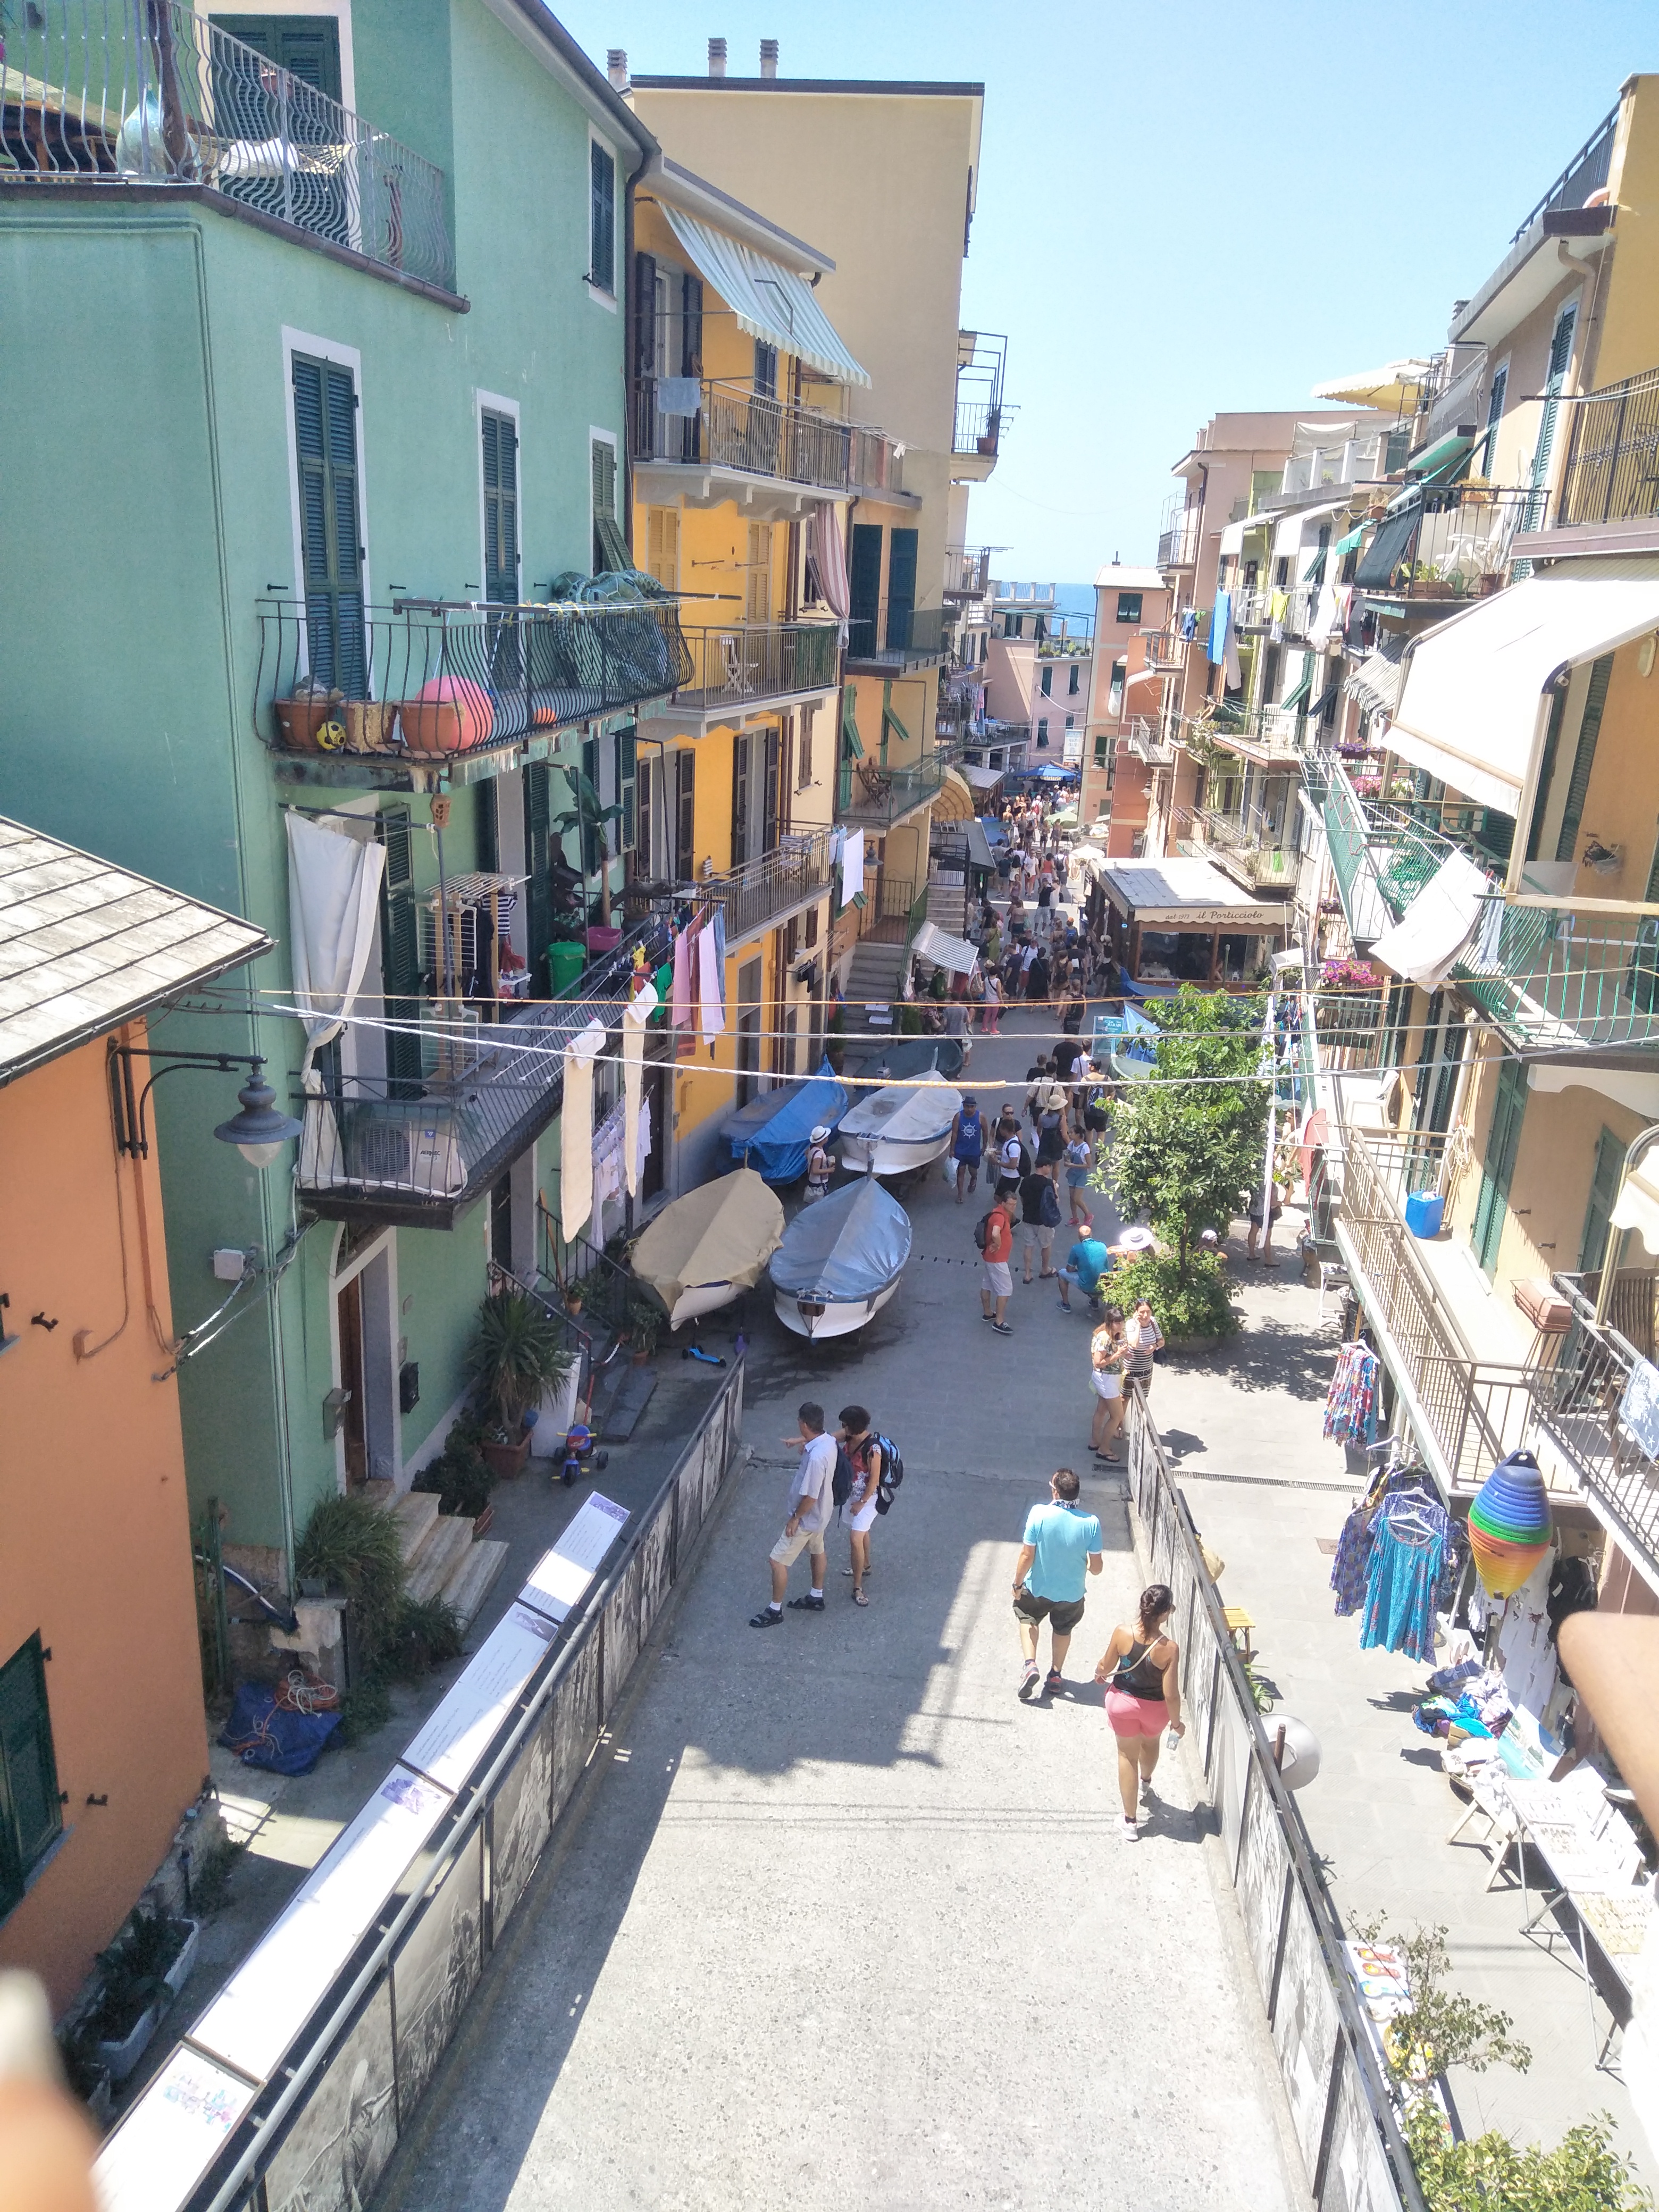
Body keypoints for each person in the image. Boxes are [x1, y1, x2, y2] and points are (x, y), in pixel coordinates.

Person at [1095, 1583, 1185, 1838]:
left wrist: (1099, 1673)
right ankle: (1145, 1782)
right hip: (1155, 1711)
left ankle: (1130, 1822)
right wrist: (1177, 1725)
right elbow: (1171, 1694)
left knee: (1126, 1757)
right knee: (1151, 1742)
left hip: (1122, 1704)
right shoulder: (1170, 1649)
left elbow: (1106, 1665)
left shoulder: (1122, 1633)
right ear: (1166, 1612)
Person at [1011, 1467, 1104, 1699]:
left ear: (1055, 1492)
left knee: (1027, 1617)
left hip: (1038, 1589)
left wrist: (1017, 1584)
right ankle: (1055, 1675)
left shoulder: (1038, 1514)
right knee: (1063, 1630)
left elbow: (1026, 1555)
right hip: (1071, 1594)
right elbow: (1096, 1569)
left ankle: (1031, 1664)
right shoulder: (1091, 1523)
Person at [750, 1403, 839, 1626]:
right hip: (821, 1515)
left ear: (804, 1424)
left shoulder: (817, 1458)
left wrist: (795, 1518)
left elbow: (810, 1497)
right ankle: (816, 1596)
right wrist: (802, 1441)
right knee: (818, 1550)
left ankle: (775, 1610)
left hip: (807, 1518)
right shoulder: (828, 1441)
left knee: (777, 1561)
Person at [837, 1404, 883, 1606]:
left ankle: (858, 1586)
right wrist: (801, 1441)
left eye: (845, 1425)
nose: (842, 1428)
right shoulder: (849, 1436)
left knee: (855, 1537)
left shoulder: (874, 1449)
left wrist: (862, 1503)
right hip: (852, 1496)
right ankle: (865, 1565)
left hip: (868, 1499)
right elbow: (827, 1439)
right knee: (862, 1533)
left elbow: (874, 1481)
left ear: (852, 1427)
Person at [1089, 1305, 1128, 1461]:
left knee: (1101, 1409)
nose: (1120, 1326)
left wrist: (1124, 1353)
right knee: (1117, 1416)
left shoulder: (1115, 1335)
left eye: (1121, 1322)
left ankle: (1094, 1441)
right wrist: (1117, 1355)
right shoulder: (1104, 1338)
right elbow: (1098, 1362)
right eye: (1117, 1323)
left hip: (1107, 1378)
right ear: (1110, 1323)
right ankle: (1104, 1449)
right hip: (1107, 1379)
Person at [1018, 1159, 1062, 1284]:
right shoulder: (1048, 1183)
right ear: (1044, 1167)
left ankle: (1027, 1274)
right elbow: (1056, 1201)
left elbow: (1022, 1197)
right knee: (1046, 1245)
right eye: (1049, 1167)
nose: (1050, 1169)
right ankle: (1045, 1269)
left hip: (1028, 1218)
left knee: (1029, 1246)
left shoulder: (1026, 1180)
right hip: (1044, 1220)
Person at [979, 1190, 1015, 1334]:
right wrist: (999, 1244)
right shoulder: (1000, 1217)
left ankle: (988, 1313)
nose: (1013, 1207)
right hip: (997, 1259)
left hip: (990, 1258)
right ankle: (999, 1322)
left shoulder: (997, 1213)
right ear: (1003, 1203)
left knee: (987, 1284)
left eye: (1015, 1204)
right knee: (1006, 1289)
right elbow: (995, 1233)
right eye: (1010, 1204)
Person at [1058, 1221, 1110, 1314]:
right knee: (1096, 1272)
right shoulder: (1103, 1246)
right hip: (1104, 1284)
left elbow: (1069, 1270)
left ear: (1079, 1237)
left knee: (1062, 1273)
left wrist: (1077, 1269)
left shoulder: (1076, 1249)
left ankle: (1066, 1305)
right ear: (1091, 1234)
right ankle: (1094, 1302)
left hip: (1087, 1285)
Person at [949, 1094, 985, 1205]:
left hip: (974, 1151)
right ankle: (960, 1195)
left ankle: (974, 1179)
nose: (969, 1109)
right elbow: (954, 1133)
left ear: (975, 1107)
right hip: (961, 1150)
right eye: (967, 1106)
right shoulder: (958, 1117)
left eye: (972, 1107)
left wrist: (984, 1146)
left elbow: (985, 1131)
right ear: (964, 1106)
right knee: (961, 1172)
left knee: (973, 1171)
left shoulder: (981, 1117)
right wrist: (952, 1149)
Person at [1124, 1297, 1166, 1394]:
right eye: (1142, 1312)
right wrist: (1138, 1325)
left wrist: (1155, 1346)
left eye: (1148, 1312)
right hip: (1131, 1368)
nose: (1146, 1315)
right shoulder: (1131, 1324)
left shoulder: (1152, 1322)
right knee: (1125, 1397)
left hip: (1146, 1369)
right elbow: (1134, 1344)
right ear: (1136, 1312)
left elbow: (1162, 1341)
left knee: (1143, 1396)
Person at [1246, 1177, 1285, 1261]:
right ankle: (1269, 1260)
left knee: (1253, 1231)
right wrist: (1280, 1203)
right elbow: (1270, 1201)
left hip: (1255, 1208)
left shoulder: (1255, 1180)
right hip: (1266, 1212)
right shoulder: (1269, 1184)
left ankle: (1251, 1254)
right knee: (1267, 1235)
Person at [1062, 1132, 1093, 1225]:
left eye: (1072, 1133)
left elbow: (1088, 1165)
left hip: (1081, 1175)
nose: (1070, 1134)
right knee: (1072, 1198)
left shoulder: (1085, 1147)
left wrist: (1073, 1165)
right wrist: (1067, 1161)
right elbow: (1068, 1156)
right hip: (1072, 1173)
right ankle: (1075, 1218)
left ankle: (1088, 1215)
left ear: (1078, 1135)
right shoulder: (1071, 1144)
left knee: (1077, 1198)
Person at [1034, 1082, 1069, 1166]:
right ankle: (1054, 1180)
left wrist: (1041, 1139)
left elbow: (1038, 1130)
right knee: (1056, 1165)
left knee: (1044, 1164)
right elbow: (1064, 1135)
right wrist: (1070, 1144)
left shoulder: (1042, 1116)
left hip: (1045, 1141)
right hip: (1056, 1143)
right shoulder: (1061, 1118)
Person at [994, 1113, 1025, 1200]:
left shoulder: (1013, 1146)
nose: (999, 1131)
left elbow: (1013, 1165)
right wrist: (998, 1153)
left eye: (1001, 1129)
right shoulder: (1010, 1140)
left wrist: (997, 1162)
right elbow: (1008, 1153)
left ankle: (1005, 1212)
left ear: (1005, 1130)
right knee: (999, 1197)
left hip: (1011, 1178)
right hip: (1006, 1176)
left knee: (1004, 1199)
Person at [804, 1124, 834, 1204]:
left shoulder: (812, 1148)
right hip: (818, 1182)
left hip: (812, 1179)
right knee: (819, 1202)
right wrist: (829, 1170)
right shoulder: (818, 1154)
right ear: (823, 1139)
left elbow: (807, 1154)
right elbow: (815, 1170)